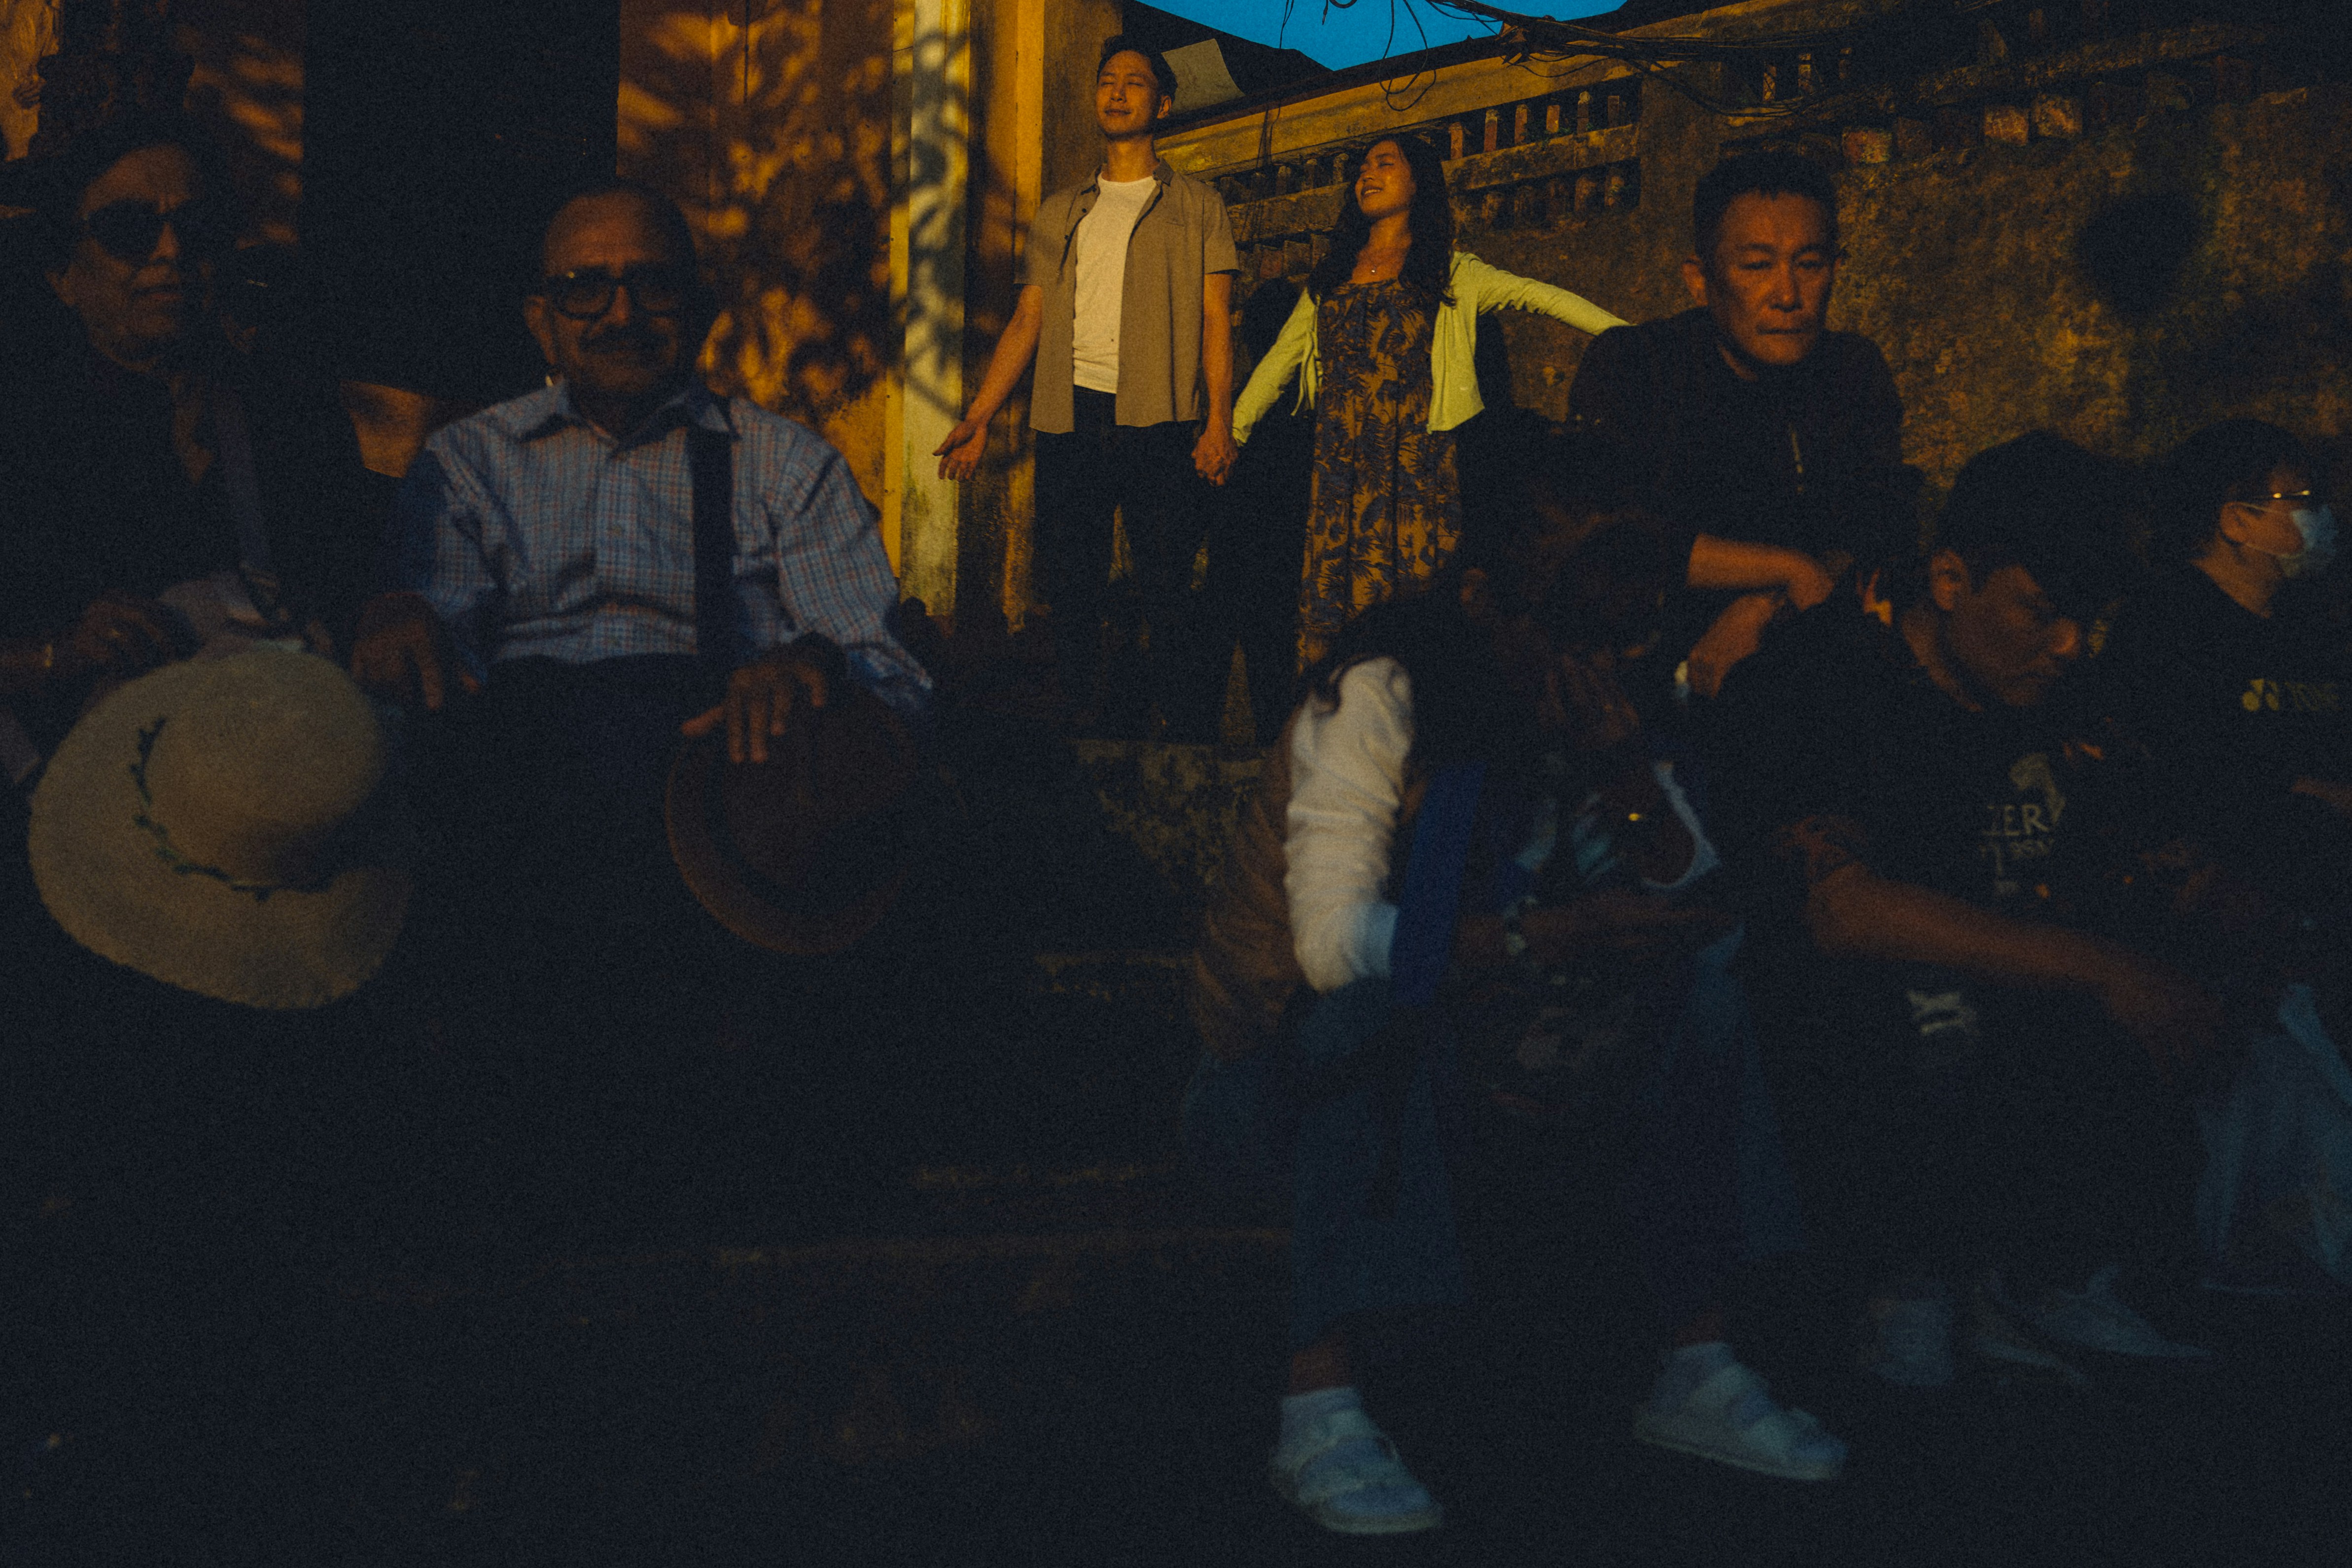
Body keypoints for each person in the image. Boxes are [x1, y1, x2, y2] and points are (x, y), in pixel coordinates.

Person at [1185, 431, 1842, 1537]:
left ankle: (1697, 1364)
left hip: (1505, 1067)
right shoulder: (1381, 692)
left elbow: (1701, 905)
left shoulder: (1607, 705)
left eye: (1629, 630)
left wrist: (1630, 772)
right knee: (1358, 1009)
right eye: (1572, 628)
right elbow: (1331, 946)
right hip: (1278, 1083)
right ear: (1484, 599)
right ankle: (1318, 1405)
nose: (1600, 658)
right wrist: (1555, 938)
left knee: (1710, 985)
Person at [349, 178, 927, 1046]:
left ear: (698, 310)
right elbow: (437, 653)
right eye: (586, 288)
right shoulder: (469, 463)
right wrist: (400, 620)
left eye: (653, 285)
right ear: (541, 318)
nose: (621, 314)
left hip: (722, 809)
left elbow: (890, 673)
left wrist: (810, 668)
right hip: (527, 803)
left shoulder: (786, 465)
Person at [1707, 431, 2220, 1389]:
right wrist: (2102, 967)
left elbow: (2143, 850)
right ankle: (1902, 1292)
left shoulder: (2061, 694)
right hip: (1832, 1036)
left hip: (2019, 1044)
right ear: (1949, 577)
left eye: (2086, 617)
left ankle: (2055, 1271)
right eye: (2039, 611)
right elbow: (1839, 910)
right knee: (1919, 1001)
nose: (2069, 644)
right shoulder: (1825, 679)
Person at [0, 112, 374, 767]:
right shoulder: (23, 425)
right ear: (64, 275)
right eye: (129, 231)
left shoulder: (289, 412)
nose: (170, 252)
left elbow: (348, 580)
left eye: (196, 229)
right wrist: (57, 654)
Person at [934, 37, 1239, 738]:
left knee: (1164, 581)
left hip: (1158, 416)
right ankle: (1079, 726)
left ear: (1161, 104)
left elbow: (1216, 320)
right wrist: (980, 415)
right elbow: (1027, 319)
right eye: (1106, 80)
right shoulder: (1059, 211)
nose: (1116, 92)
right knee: (1073, 584)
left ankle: (1179, 732)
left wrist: (1217, 422)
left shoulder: (1196, 204)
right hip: (1070, 415)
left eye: (1133, 82)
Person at [1230, 134, 1626, 670]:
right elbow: (1280, 361)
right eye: (1364, 166)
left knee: (1414, 598)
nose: (1367, 173)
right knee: (1339, 598)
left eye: (1384, 164)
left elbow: (1542, 296)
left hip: (1416, 462)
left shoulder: (1452, 271)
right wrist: (1229, 433)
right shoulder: (1330, 278)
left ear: (1418, 183)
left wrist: (1635, 342)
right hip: (1340, 469)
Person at [1568, 149, 1915, 702]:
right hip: (1642, 691)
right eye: (1756, 266)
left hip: (1806, 682)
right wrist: (1790, 569)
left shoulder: (1851, 371)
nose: (1787, 295)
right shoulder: (1637, 366)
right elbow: (1606, 533)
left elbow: (1874, 517)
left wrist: (1769, 601)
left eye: (1809, 264)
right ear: (1700, 280)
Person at [1197, 278, 1315, 745]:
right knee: (1273, 648)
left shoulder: (1241, 399)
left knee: (1231, 639)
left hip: (1240, 542)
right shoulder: (1303, 400)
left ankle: (1206, 735)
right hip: (1283, 543)